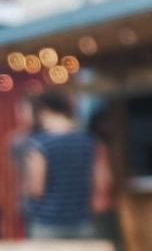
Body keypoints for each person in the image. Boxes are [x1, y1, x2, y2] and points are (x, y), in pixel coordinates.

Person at [23, 91, 111, 239]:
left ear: (43, 110)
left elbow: (36, 189)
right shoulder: (89, 141)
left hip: (47, 224)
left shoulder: (39, 143)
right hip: (82, 222)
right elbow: (103, 183)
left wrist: (26, 190)